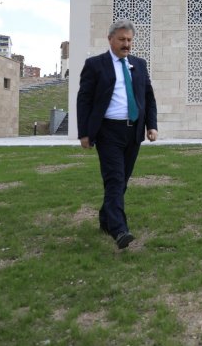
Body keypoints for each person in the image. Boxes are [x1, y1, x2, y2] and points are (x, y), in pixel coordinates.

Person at [77, 20, 158, 249]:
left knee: (122, 181)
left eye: (129, 40)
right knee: (114, 179)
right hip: (108, 131)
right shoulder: (95, 65)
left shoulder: (139, 65)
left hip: (133, 131)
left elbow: (149, 98)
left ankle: (105, 219)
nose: (126, 44)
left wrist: (151, 126)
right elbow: (84, 100)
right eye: (122, 39)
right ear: (110, 39)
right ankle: (120, 230)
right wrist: (84, 133)